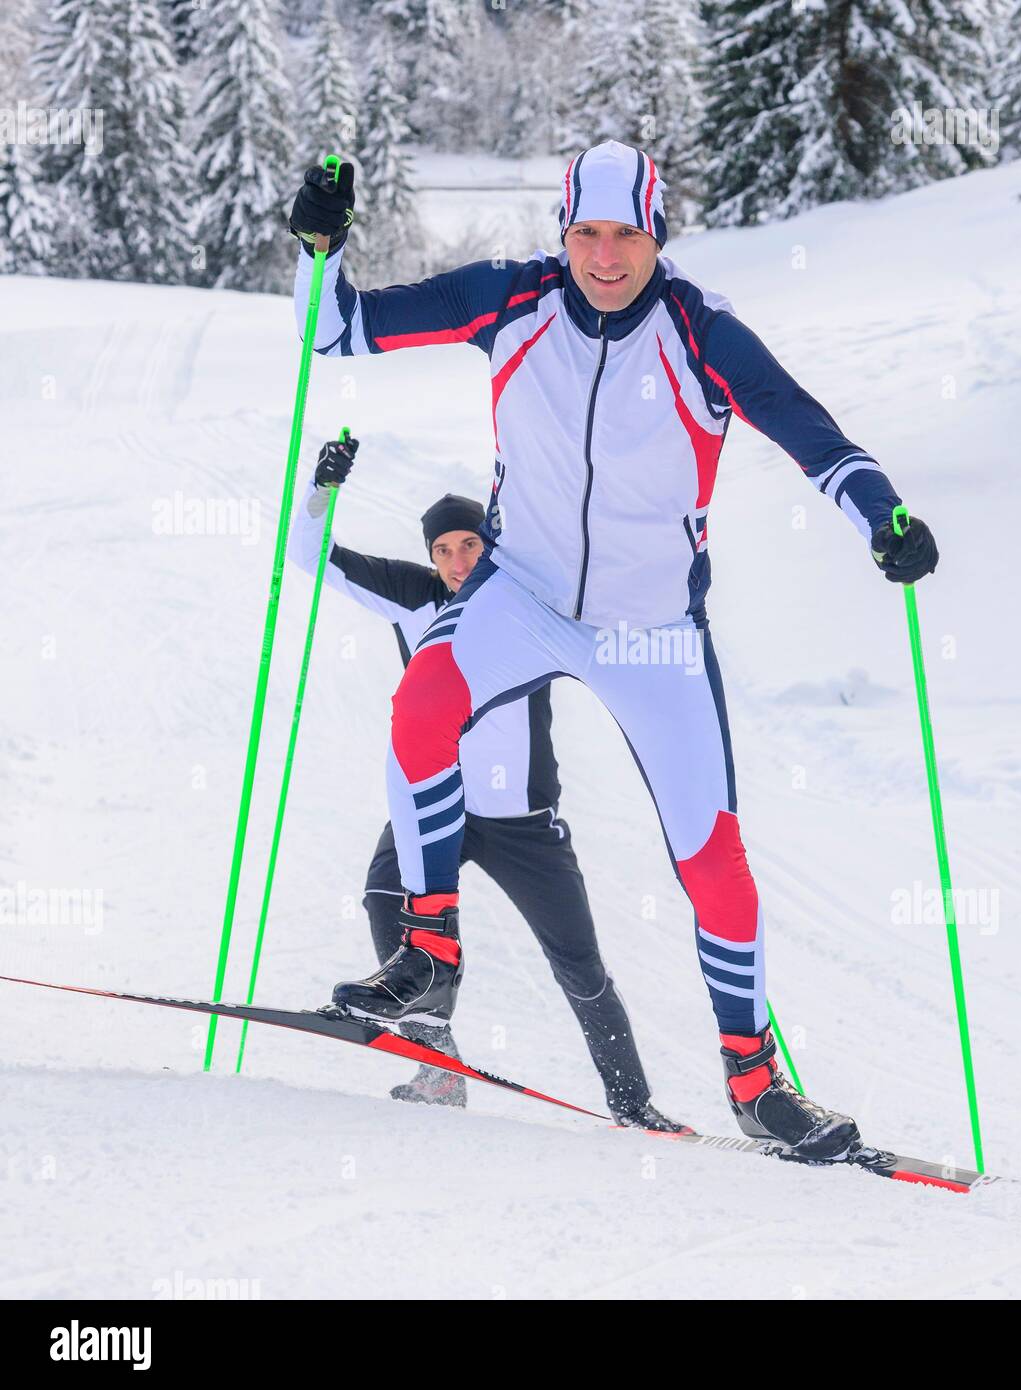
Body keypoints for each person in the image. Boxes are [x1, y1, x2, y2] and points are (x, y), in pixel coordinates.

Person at [287, 139, 938, 1159]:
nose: (602, 253)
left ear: (656, 235)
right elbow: (337, 334)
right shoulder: (512, 301)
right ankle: (430, 948)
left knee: (714, 860)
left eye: (624, 233)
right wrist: (320, 244)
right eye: (585, 232)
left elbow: (807, 431)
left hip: (653, 632)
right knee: (423, 702)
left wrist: (883, 517)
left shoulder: (702, 332)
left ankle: (756, 1080)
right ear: (563, 233)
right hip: (526, 595)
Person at [286, 433, 685, 1131]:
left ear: (488, 544)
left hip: (522, 820)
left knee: (578, 963)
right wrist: (322, 490)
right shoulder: (414, 598)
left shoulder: (524, 601)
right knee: (387, 896)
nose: (456, 561)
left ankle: (633, 1104)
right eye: (443, 550)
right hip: (434, 800)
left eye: (468, 545)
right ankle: (436, 1065)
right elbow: (310, 556)